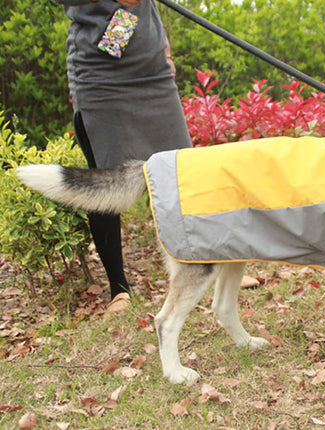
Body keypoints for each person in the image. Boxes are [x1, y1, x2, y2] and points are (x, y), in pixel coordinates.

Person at [56, 0, 192, 311]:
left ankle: (209, 263)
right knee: (107, 175)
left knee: (183, 169)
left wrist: (166, 50)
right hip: (101, 73)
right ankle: (119, 290)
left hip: (151, 69)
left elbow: (143, 7)